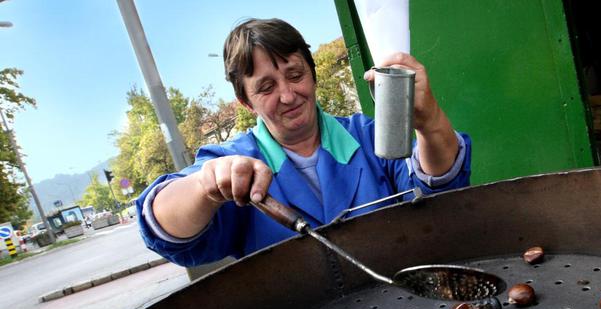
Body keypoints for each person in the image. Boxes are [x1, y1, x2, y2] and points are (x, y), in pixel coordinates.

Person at [136, 18, 471, 267]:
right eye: (266, 88)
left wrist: (430, 122)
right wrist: (205, 188)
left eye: (295, 75)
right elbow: (163, 227)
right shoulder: (234, 163)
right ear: (246, 102)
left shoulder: (369, 137)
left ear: (312, 75)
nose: (287, 95)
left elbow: (440, 190)